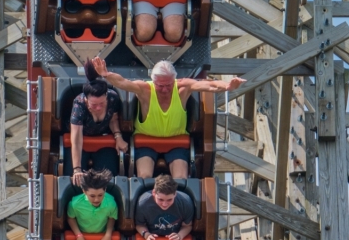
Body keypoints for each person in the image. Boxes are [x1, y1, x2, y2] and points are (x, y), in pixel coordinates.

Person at [93, 56, 245, 178]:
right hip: (146, 141)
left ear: (174, 80)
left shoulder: (183, 87)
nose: (165, 89)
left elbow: (208, 85)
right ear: (153, 81)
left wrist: (227, 86)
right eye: (160, 85)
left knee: (180, 177)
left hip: (176, 142)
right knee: (144, 175)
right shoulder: (145, 89)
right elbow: (123, 82)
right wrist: (106, 75)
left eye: (168, 85)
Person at [66, 59, 128, 184]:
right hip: (81, 141)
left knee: (107, 176)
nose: (98, 108)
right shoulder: (79, 104)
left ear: (106, 96)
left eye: (102, 103)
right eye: (94, 105)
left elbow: (113, 119)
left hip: (103, 140)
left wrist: (118, 136)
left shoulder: (112, 98)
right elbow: (76, 138)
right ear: (86, 100)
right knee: (76, 178)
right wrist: (77, 169)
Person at [66, 168, 118, 240]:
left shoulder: (110, 202)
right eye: (92, 196)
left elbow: (112, 218)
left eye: (100, 195)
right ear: (84, 191)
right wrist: (78, 235)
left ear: (105, 189)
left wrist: (108, 234)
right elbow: (70, 218)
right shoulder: (75, 203)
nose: (96, 199)